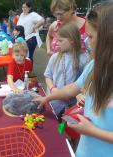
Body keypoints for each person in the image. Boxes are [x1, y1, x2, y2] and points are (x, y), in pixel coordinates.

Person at [34, 2, 113, 156]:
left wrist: (92, 131)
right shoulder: (94, 66)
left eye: (90, 36)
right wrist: (47, 98)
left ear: (108, 39)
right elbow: (71, 89)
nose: (87, 42)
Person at [44, 22, 88, 116]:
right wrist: (52, 88)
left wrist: (79, 94)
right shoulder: (55, 57)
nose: (56, 43)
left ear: (72, 40)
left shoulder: (84, 59)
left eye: (60, 41)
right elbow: (48, 76)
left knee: (69, 129)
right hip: (56, 102)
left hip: (75, 106)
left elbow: (86, 83)